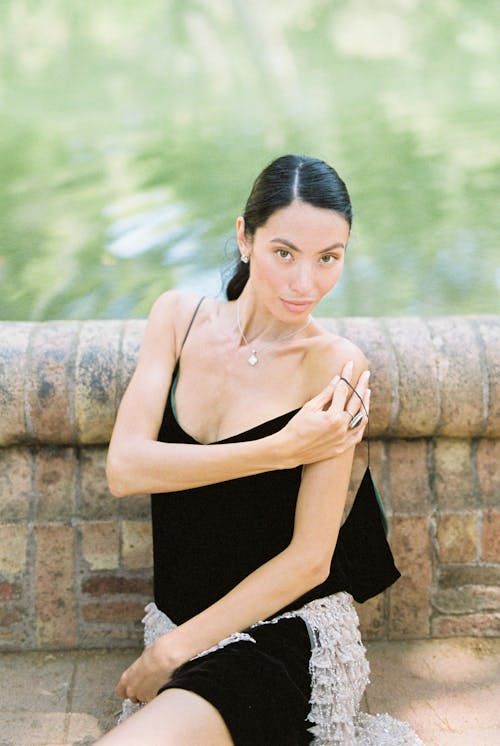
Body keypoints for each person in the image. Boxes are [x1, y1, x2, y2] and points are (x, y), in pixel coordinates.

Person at [96, 155, 423, 745]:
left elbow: (311, 560)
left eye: (329, 258)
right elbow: (125, 467)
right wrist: (278, 450)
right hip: (183, 627)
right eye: (285, 252)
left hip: (281, 636)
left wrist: (174, 649)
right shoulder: (177, 318)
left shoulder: (337, 365)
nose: (306, 284)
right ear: (245, 238)